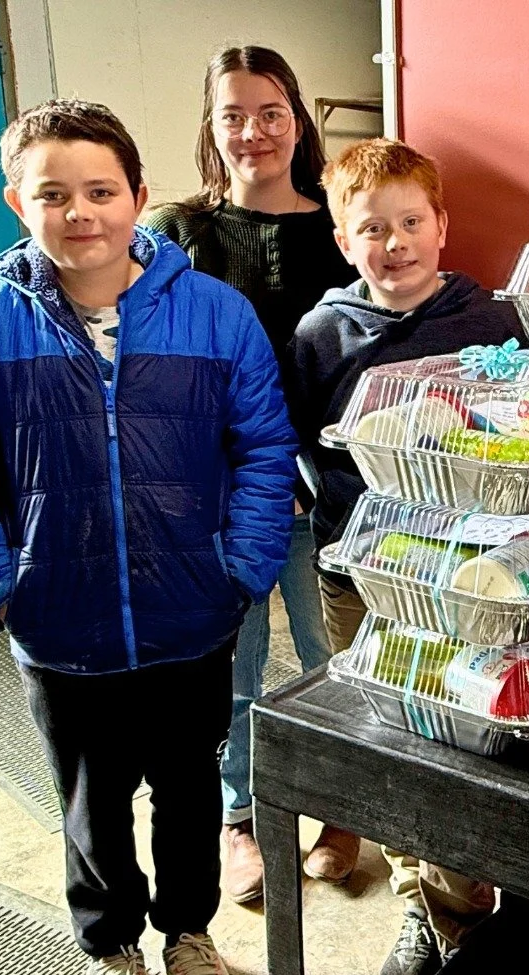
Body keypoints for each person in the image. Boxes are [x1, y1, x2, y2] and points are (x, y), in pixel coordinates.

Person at [0, 99, 296, 975]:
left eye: (101, 191)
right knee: (91, 802)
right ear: (17, 203)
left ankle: (189, 936)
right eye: (53, 195)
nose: (80, 213)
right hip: (59, 623)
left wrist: (243, 566)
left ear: (139, 196)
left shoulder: (216, 314)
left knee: (189, 790)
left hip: (192, 613)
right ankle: (110, 951)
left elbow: (264, 449)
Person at [285, 137, 524, 975]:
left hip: (468, 572)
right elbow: (299, 441)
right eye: (372, 229)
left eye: (411, 222)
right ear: (343, 242)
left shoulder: (490, 320)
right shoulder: (320, 334)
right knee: (393, 735)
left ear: (441, 226)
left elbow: (523, 431)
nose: (395, 244)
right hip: (362, 574)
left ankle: (472, 898)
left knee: (466, 727)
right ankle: (423, 904)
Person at [145, 46, 356, 903]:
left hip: (319, 490)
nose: (253, 131)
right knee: (231, 666)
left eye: (271, 112)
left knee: (328, 656)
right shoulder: (176, 231)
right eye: (232, 114)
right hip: (210, 492)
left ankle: (340, 809)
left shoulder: (341, 226)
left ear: (297, 120)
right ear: (211, 125)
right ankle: (241, 818)